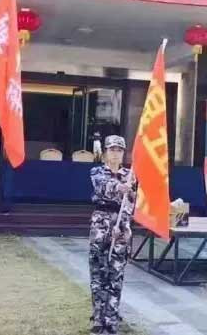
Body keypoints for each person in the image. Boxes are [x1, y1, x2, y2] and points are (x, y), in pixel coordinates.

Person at [88, 135, 137, 335]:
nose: (115, 153)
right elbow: (102, 187)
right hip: (101, 226)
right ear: (105, 152)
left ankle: (112, 318)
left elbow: (131, 203)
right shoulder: (97, 171)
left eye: (119, 150)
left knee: (116, 273)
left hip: (120, 228)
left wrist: (124, 226)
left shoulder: (130, 175)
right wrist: (119, 187)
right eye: (112, 149)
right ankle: (98, 317)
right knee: (99, 272)